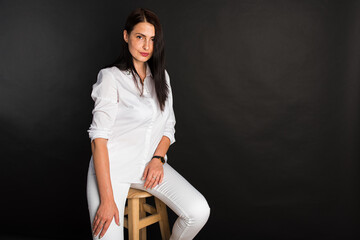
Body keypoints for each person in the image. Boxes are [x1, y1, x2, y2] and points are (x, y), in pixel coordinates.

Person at [86, 8, 210, 240]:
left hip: (147, 168)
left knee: (198, 211)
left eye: (152, 39)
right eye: (139, 37)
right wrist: (107, 199)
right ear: (126, 36)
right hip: (111, 171)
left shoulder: (162, 78)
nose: (146, 46)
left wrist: (157, 159)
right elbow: (98, 139)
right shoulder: (110, 77)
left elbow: (168, 127)